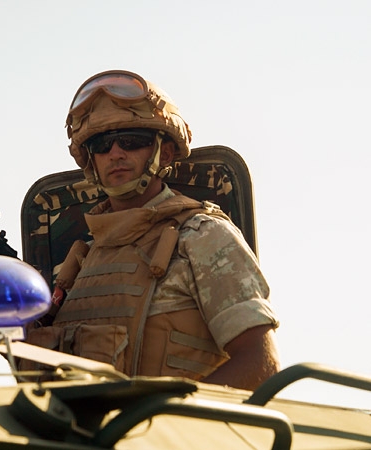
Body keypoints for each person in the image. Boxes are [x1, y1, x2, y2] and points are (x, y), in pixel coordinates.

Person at [28, 70, 280, 390]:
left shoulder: (202, 236)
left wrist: (166, 414)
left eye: (132, 141)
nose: (115, 153)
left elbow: (260, 364)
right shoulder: (80, 262)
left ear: (166, 153)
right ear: (91, 160)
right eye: (102, 145)